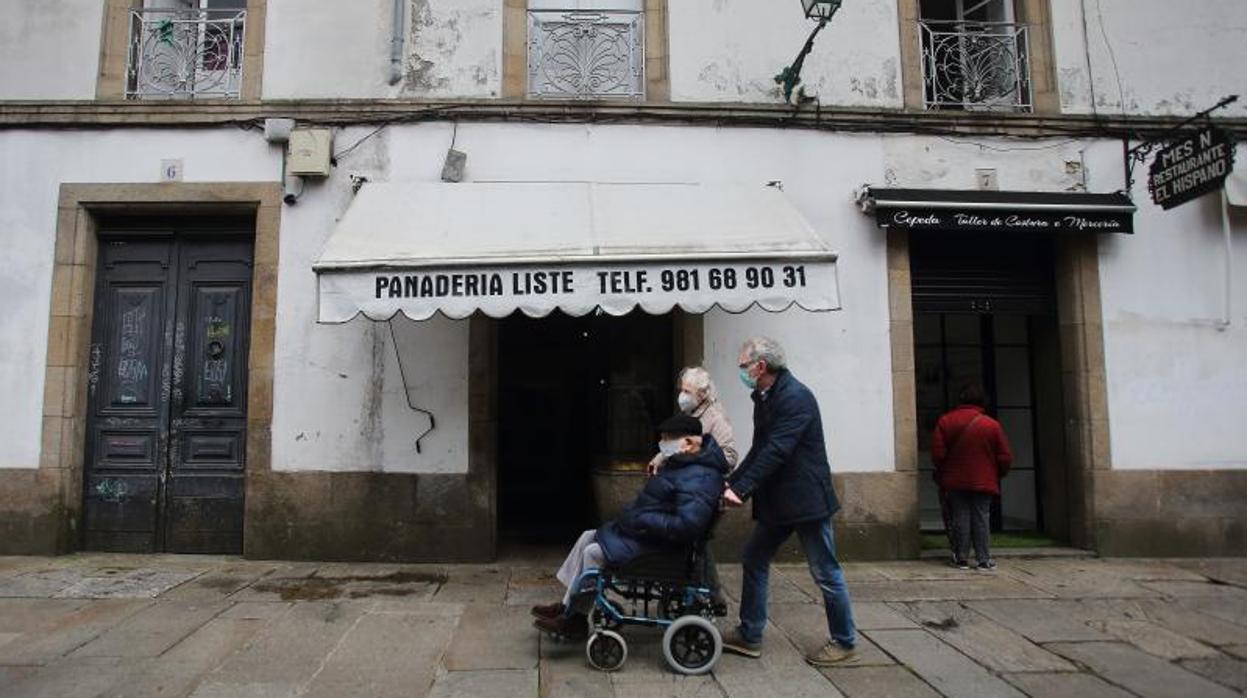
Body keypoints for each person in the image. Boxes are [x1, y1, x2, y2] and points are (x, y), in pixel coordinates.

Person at [720, 336, 857, 667]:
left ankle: (844, 641)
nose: (742, 371)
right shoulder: (765, 396)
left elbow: (778, 450)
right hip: (780, 500)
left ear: (761, 366)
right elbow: (759, 448)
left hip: (806, 500)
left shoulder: (796, 398)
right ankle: (750, 634)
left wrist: (743, 490)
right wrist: (732, 482)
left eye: (743, 366)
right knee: (754, 556)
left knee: (825, 571)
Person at [531, 414, 729, 639]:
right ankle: (568, 605)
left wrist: (643, 519)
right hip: (648, 535)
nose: (662, 443)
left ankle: (575, 620)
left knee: (593, 553)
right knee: (588, 536)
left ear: (689, 443)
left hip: (662, 546)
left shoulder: (700, 476)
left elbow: (687, 526)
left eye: (668, 438)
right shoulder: (683, 465)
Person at [931, 383, 1013, 571]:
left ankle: (961, 557)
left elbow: (938, 454)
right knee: (981, 517)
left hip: (955, 479)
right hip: (984, 479)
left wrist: (943, 470)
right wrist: (998, 473)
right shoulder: (991, 425)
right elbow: (1005, 456)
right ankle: (984, 559)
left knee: (960, 516)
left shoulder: (946, 421)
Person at [649, 367, 739, 473]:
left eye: (687, 392)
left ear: (702, 394)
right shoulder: (690, 411)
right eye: (682, 390)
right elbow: (679, 444)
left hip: (704, 480)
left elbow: (730, 458)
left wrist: (694, 452)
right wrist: (661, 457)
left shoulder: (716, 417)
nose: (682, 396)